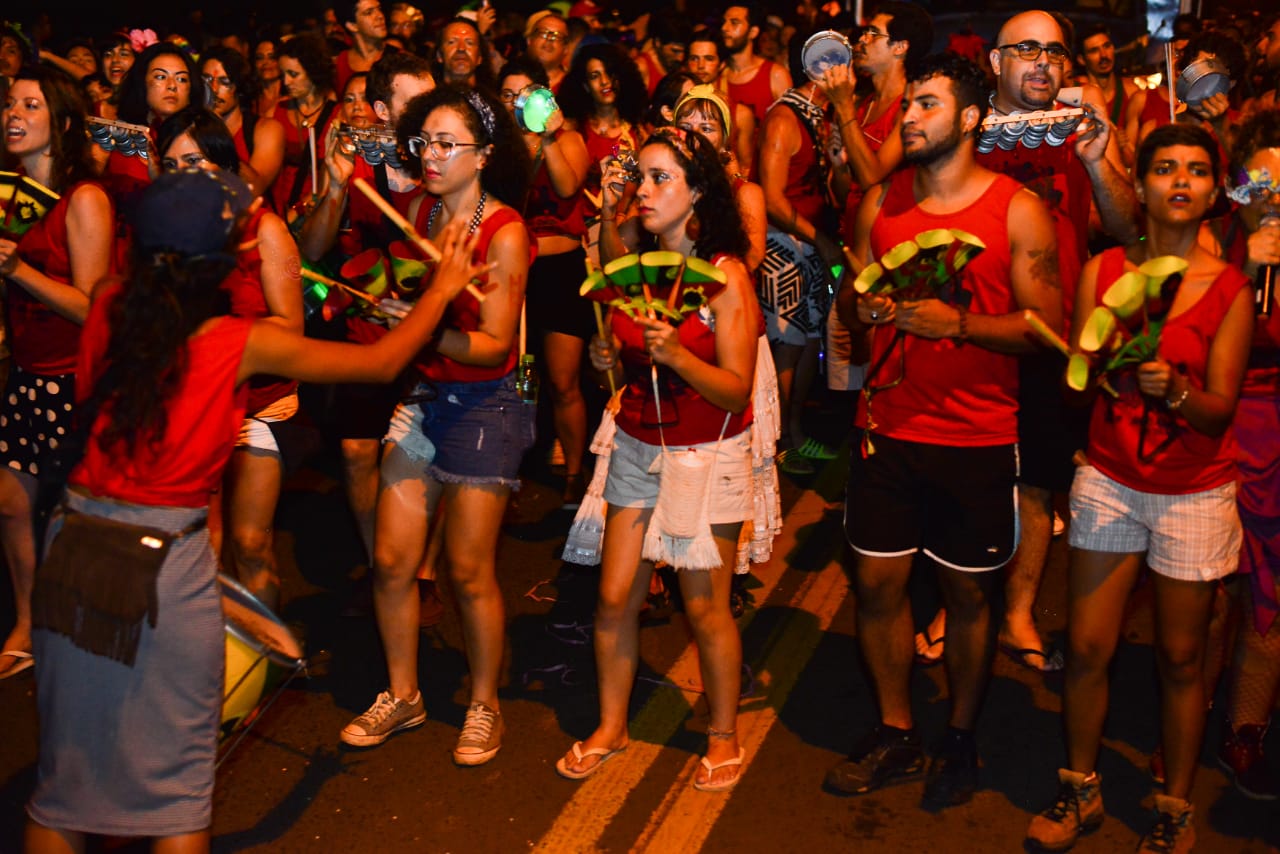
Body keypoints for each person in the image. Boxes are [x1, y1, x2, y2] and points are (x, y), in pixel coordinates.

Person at [23, 166, 484, 854]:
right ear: (227, 260)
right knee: (176, 794)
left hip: (73, 545)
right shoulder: (237, 343)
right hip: (161, 565)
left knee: (66, 782)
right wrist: (442, 289)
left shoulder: (110, 303)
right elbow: (382, 362)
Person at [826, 53, 1061, 809]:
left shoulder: (1016, 209)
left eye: (926, 104)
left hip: (977, 437)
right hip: (886, 429)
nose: (909, 116)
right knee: (876, 586)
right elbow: (856, 295)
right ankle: (897, 727)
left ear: (969, 118)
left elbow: (1047, 328)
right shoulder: (882, 203)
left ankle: (960, 734)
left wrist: (959, 322)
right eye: (908, 106)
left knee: (967, 599)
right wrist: (858, 311)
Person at [1025, 123, 1254, 853]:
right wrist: (1085, 365)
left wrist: (1177, 393)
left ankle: (1174, 804)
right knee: (1089, 647)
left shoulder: (1230, 290)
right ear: (1142, 185)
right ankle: (1078, 790)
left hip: (1193, 490)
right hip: (1110, 478)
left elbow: (1220, 410)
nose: (1179, 181)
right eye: (1163, 168)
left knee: (1181, 658)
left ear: (1215, 194)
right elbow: (1079, 383)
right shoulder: (1104, 270)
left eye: (1195, 171)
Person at [916, 9, 1139, 672]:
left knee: (1038, 482)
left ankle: (1016, 612)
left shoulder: (1083, 129)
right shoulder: (965, 125)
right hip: (969, 329)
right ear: (996, 62)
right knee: (959, 475)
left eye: (1052, 52)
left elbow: (1128, 229)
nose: (1041, 63)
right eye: (1025, 50)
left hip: (1051, 333)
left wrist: (1099, 163)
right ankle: (954, 604)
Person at [554, 126, 760, 792]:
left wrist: (676, 355)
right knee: (614, 597)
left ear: (697, 192)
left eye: (660, 178)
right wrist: (608, 360)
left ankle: (723, 733)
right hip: (638, 443)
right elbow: (619, 349)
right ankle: (613, 725)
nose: (642, 191)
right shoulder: (636, 263)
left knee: (706, 609)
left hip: (709, 450)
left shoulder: (725, 275)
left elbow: (736, 388)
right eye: (640, 177)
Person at [339, 85, 534, 765]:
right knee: (391, 561)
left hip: (488, 402)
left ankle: (484, 704)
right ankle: (404, 693)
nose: (432, 155)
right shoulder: (417, 209)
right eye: (425, 141)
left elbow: (494, 345)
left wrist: (426, 329)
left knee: (467, 570)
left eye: (449, 144)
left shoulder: (504, 230)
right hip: (426, 396)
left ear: (483, 156)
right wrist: (406, 312)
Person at [156, 107, 304, 614]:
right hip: (195, 407)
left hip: (257, 407)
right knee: (202, 549)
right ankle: (209, 667)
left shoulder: (265, 230)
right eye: (171, 166)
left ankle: (261, 668)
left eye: (193, 160)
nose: (184, 176)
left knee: (249, 544)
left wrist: (222, 336)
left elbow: (292, 328)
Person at [0, 66, 115, 680]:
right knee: (11, 505)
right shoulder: (8, 192)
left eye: (31, 105)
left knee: (79, 517)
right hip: (25, 372)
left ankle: (84, 633)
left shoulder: (85, 198)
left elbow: (92, 304)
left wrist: (17, 269)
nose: (14, 115)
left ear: (63, 123)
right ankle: (26, 620)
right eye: (10, 104)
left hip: (74, 379)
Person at [1197, 109, 1280, 800]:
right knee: (1211, 589)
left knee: (1269, 590)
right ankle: (1184, 719)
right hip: (1218, 427)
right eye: (1260, 183)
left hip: (1277, 435)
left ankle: (1246, 726)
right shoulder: (1206, 240)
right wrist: (1241, 271)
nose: (1271, 199)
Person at [499, 58, 593, 507]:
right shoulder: (497, 149)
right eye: (508, 95)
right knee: (516, 379)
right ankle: (506, 472)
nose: (518, 103)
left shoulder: (570, 138)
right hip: (515, 270)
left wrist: (549, 135)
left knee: (562, 380)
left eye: (527, 93)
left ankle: (576, 471)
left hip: (561, 271)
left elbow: (568, 184)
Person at [757, 34, 842, 474]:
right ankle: (775, 444)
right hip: (782, 245)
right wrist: (819, 238)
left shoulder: (819, 117)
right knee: (786, 348)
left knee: (808, 343)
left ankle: (794, 433)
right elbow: (771, 198)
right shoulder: (785, 119)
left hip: (807, 245)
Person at [201, 46, 286, 198]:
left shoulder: (267, 129)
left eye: (224, 81)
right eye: (207, 80)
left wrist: (217, 134)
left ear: (239, 86)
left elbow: (254, 188)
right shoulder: (193, 128)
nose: (213, 89)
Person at [273, 33, 339, 218]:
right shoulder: (277, 110)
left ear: (313, 71)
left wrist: (300, 210)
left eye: (293, 74)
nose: (286, 82)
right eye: (283, 74)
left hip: (315, 210)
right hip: (280, 209)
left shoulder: (337, 113)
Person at [681, 32, 757, 181]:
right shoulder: (677, 108)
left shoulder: (740, 114)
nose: (700, 66)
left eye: (709, 59)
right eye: (694, 58)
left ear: (722, 64)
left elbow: (746, 168)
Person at [1074, 23, 1138, 166]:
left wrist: (1121, 145)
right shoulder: (1074, 91)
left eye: (1107, 46)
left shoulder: (1131, 91)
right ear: (1081, 60)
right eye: (1094, 50)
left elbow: (1134, 160)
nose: (1104, 55)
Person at [721, 4, 790, 130]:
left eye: (734, 23)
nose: (725, 28)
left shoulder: (775, 74)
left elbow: (790, 126)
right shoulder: (718, 74)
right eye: (724, 22)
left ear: (753, 32)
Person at [336, 0, 389, 94]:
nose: (380, 16)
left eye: (379, 9)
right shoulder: (338, 65)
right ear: (352, 26)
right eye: (369, 12)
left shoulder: (399, 58)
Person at [434, 18, 495, 91]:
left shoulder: (491, 101)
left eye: (469, 43)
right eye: (452, 42)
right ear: (439, 55)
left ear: (479, 57)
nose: (461, 48)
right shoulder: (427, 100)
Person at [525, 11, 569, 92]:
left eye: (557, 36)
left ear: (566, 48)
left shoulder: (573, 86)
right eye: (543, 33)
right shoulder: (511, 78)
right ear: (529, 40)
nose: (549, 39)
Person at [252, 36, 285, 119]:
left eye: (272, 57)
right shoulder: (249, 100)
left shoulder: (292, 98)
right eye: (260, 58)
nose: (265, 62)